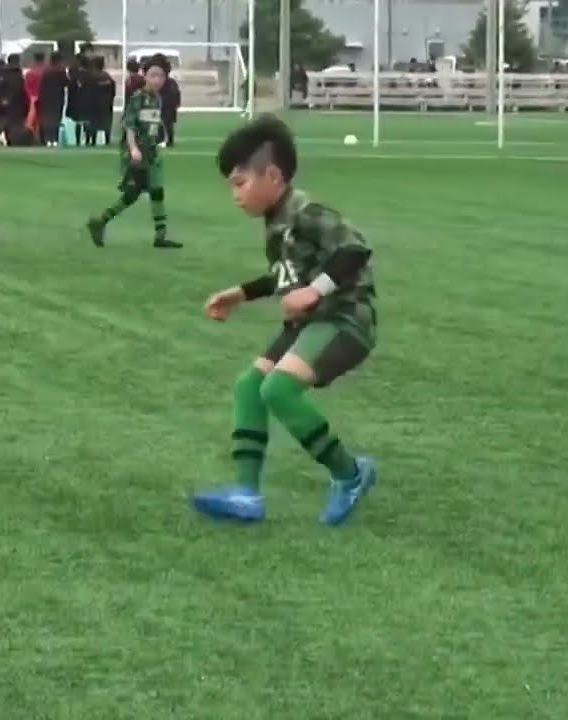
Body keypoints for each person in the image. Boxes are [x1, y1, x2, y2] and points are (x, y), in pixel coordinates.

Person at [191, 115, 378, 526]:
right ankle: (247, 495)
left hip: (344, 318)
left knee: (278, 389)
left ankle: (351, 474)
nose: (235, 195)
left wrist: (315, 291)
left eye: (240, 183)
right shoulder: (276, 223)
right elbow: (285, 277)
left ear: (273, 176)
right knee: (251, 386)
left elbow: (354, 248)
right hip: (311, 323)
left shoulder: (305, 212)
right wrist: (240, 294)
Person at [85, 56, 180, 249]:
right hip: (136, 154)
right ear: (145, 76)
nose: (157, 80)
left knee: (156, 191)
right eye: (153, 75)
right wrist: (133, 148)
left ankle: (160, 235)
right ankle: (101, 221)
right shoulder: (138, 98)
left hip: (151, 153)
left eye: (161, 76)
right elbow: (129, 125)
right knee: (133, 193)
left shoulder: (157, 99)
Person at [37, 52, 69, 146]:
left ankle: (47, 138)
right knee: (56, 118)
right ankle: (54, 139)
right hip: (57, 97)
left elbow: (42, 85)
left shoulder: (46, 71)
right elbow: (66, 83)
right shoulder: (61, 71)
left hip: (46, 97)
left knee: (47, 117)